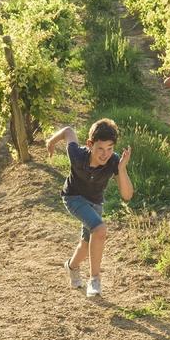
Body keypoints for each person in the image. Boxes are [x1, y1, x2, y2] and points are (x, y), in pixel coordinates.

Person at [45, 118, 133, 297]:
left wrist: (122, 169)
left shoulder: (113, 161)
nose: (105, 154)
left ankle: (71, 266)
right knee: (99, 230)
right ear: (90, 145)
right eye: (100, 148)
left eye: (110, 148)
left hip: (95, 202)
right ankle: (95, 280)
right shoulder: (78, 155)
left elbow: (127, 195)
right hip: (73, 197)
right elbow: (68, 130)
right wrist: (51, 141)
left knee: (85, 245)